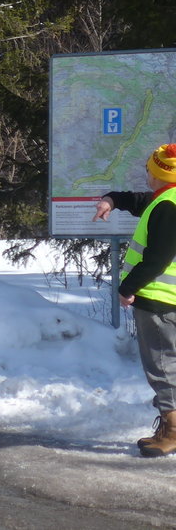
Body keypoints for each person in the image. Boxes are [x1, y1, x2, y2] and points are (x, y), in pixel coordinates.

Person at [93, 143, 176, 457]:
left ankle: (172, 432)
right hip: (169, 299)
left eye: (150, 171)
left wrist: (128, 287)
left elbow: (156, 259)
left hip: (160, 300)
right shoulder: (166, 199)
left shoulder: (169, 205)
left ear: (160, 174)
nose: (147, 176)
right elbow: (141, 201)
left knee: (163, 367)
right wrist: (112, 200)